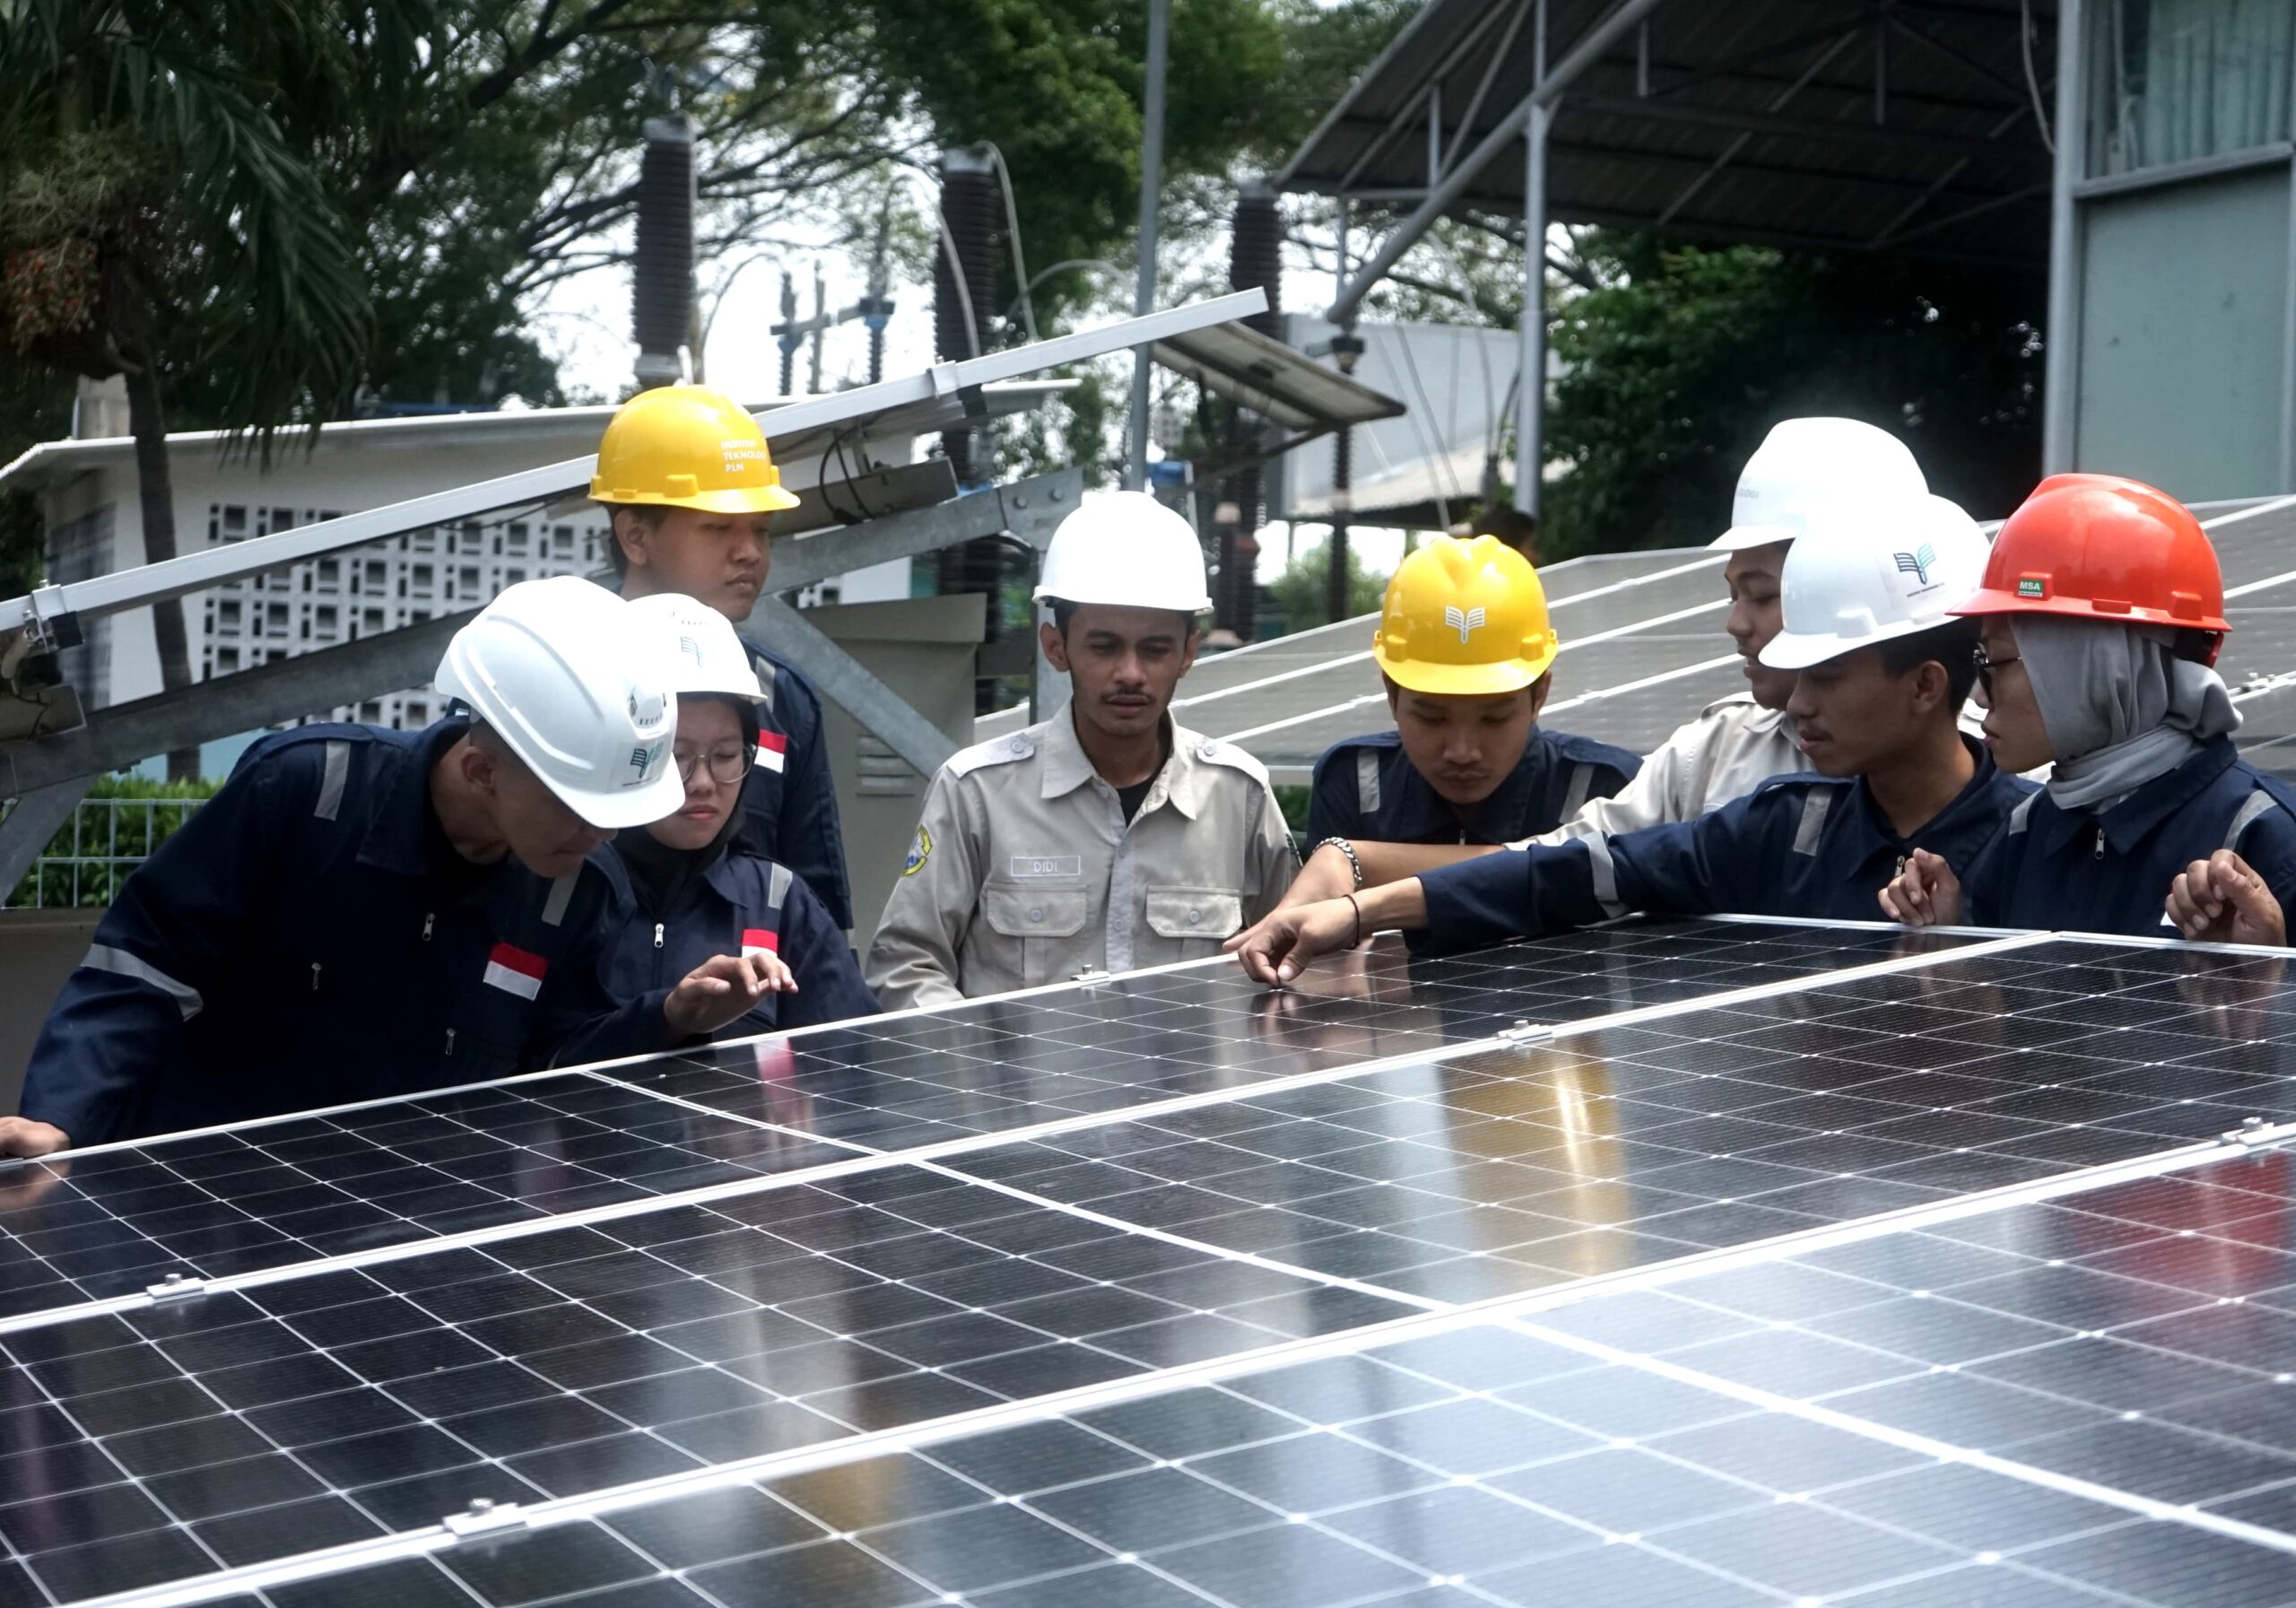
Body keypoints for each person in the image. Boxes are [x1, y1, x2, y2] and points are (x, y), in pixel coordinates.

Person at [3, 578, 792, 1156]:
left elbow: (553, 1063)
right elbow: (142, 966)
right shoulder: (307, 796)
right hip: (192, 1223)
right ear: (482, 771)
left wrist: (668, 1018)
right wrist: (61, 1116)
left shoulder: (577, 891)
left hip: (397, 1267)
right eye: (577, 805)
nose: (598, 835)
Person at [1231, 492, 2029, 984]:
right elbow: (1570, 869)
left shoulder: (2036, 844)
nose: (1798, 699)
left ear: (1926, 685)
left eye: (1824, 674)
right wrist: (1365, 909)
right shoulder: (1779, 825)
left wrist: (1966, 949)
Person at [1274, 416, 1931, 905]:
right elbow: (1563, 861)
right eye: (1734, 592)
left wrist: (1363, 879)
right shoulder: (1711, 756)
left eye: (1761, 595)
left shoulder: (2012, 807)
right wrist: (1353, 869)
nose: (1735, 622)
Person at [867, 492, 1299, 1008]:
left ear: (1188, 652)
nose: (1131, 673)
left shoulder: (1238, 796)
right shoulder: (976, 792)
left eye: (1156, 649)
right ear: (1056, 647)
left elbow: (1296, 955)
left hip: (1196, 1091)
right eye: (1104, 646)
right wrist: (978, 1069)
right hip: (1015, 1091)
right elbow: (907, 963)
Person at [1882, 474, 2296, 943]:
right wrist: (1954, 940)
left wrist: (2270, 991)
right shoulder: (2027, 829)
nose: (1979, 696)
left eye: (1994, 662)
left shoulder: (2265, 834)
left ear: (2092, 666)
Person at [593, 385, 854, 931]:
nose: (750, 551)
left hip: (742, 1012)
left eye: (760, 529)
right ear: (635, 535)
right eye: (718, 527)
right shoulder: (559, 676)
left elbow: (815, 916)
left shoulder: (782, 700)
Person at [603, 594, 879, 1035]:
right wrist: (664, 1018)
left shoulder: (780, 902)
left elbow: (855, 1067)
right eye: (678, 756)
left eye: (727, 755)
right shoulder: (564, 896)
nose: (703, 782)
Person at [1303, 535, 1640, 852]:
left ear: (1540, 695)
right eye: (1432, 718)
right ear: (1392, 695)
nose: (1462, 752)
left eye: (1494, 718)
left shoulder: (1611, 791)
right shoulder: (1355, 781)